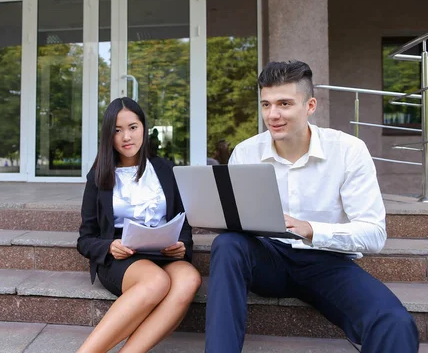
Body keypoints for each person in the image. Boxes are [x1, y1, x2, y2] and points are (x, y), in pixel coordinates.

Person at [205, 61, 419, 352]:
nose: (273, 114)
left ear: (310, 105)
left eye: (284, 103)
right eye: (266, 104)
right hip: (267, 259)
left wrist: (311, 229)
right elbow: (236, 223)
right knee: (228, 243)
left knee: (394, 322)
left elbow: (374, 234)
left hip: (327, 261)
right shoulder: (246, 152)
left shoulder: (348, 150)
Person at [77, 97, 202, 353]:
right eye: (117, 130)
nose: (126, 137)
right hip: (123, 258)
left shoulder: (165, 169)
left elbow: (183, 223)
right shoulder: (99, 175)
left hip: (163, 252)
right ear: (108, 136)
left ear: (144, 128)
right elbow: (85, 239)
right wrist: (110, 246)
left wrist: (182, 246)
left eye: (133, 127)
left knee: (190, 279)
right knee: (156, 281)